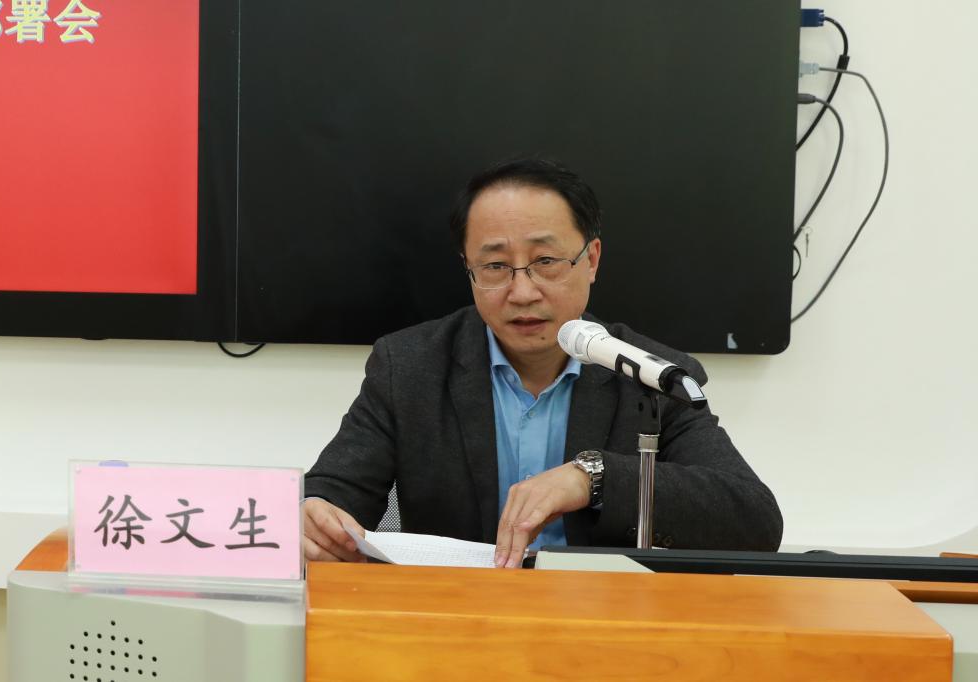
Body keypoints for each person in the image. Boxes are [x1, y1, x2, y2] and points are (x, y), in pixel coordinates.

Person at [302, 157, 782, 568]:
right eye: (495, 266)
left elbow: (753, 518)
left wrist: (592, 478)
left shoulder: (646, 375)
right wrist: (313, 520)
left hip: (600, 623)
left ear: (591, 260)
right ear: (469, 270)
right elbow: (329, 496)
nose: (523, 292)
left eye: (546, 261)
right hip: (457, 618)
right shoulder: (409, 366)